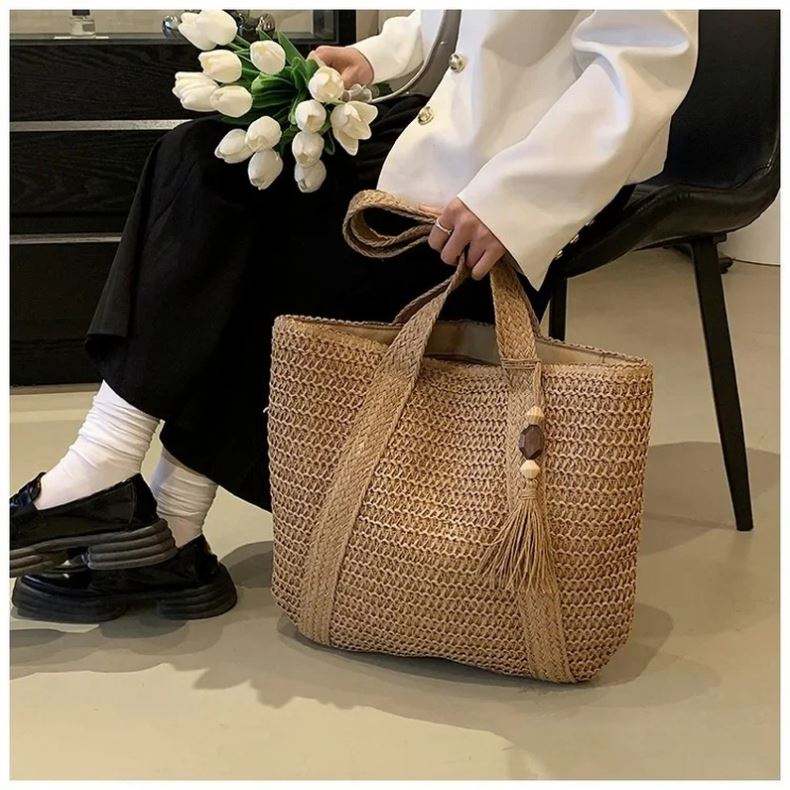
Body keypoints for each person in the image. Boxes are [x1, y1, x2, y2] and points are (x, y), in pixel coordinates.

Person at [10, 10, 698, 622]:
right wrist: (376, 56)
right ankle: (154, 515)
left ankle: (132, 496)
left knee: (258, 212)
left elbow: (646, 56)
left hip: (532, 160)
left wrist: (519, 196)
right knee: (208, 161)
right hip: (449, 125)